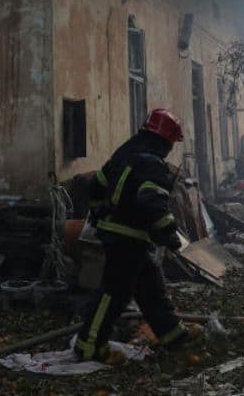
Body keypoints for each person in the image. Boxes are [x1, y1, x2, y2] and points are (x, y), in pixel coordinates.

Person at [74, 108, 203, 364]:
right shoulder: (153, 164)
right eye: (170, 143)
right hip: (128, 237)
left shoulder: (123, 154)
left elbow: (96, 185)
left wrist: (100, 213)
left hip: (117, 235)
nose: (169, 149)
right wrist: (169, 234)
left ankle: (172, 335)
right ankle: (89, 346)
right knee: (114, 294)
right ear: (164, 139)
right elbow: (151, 201)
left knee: (150, 287)